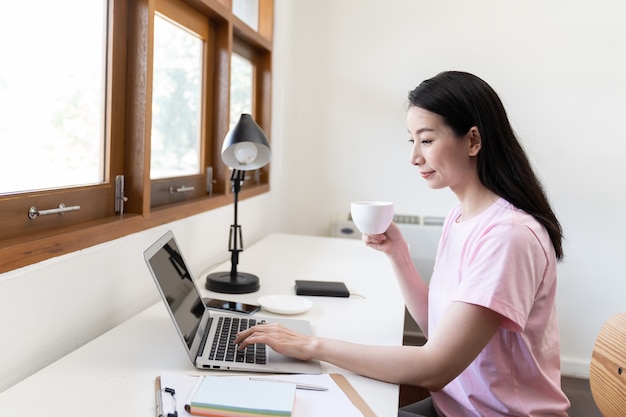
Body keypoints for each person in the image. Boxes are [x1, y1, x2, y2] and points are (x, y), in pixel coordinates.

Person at [235, 71, 570, 416]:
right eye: (411, 141)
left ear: (472, 141)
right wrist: (399, 255)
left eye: (426, 140)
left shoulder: (508, 236)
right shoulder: (461, 217)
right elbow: (437, 330)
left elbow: (434, 367)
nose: (414, 157)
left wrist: (310, 345)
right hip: (454, 407)